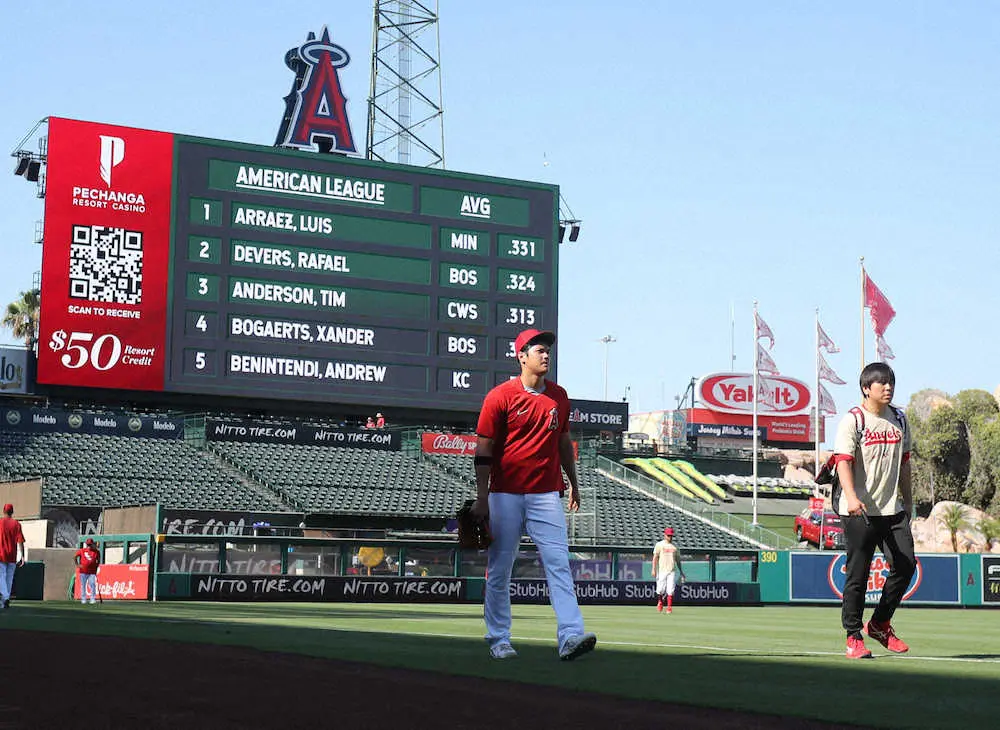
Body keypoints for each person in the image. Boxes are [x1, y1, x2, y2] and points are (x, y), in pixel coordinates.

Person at [471, 328, 597, 661]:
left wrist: (573, 481)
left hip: (545, 493)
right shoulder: (500, 396)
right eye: (539, 350)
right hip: (505, 493)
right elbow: (484, 446)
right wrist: (482, 497)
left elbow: (562, 442)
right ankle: (499, 638)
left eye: (548, 351)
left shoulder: (559, 395)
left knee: (559, 564)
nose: (546, 355)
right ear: (521, 355)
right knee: (500, 567)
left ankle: (570, 635)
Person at [834, 362, 914, 659]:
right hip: (859, 510)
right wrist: (852, 498)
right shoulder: (853, 420)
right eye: (882, 383)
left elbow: (905, 463)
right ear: (866, 388)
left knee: (906, 565)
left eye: (891, 382)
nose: (888, 387)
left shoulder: (900, 420)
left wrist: (909, 501)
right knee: (858, 574)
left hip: (892, 509)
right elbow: (843, 461)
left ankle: (880, 623)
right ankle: (853, 636)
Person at [652, 527, 686, 613]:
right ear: (665, 535)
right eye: (668, 535)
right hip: (662, 570)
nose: (670, 537)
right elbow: (655, 557)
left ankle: (669, 607)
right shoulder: (659, 545)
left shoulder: (675, 547)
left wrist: (681, 571)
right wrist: (653, 569)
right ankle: (660, 601)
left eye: (671, 536)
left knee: (670, 590)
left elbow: (678, 560)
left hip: (671, 571)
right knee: (660, 589)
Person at [0, 503, 26, 609]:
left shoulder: (0, 522)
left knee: (1, 576)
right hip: (12, 555)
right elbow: (20, 541)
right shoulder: (17, 524)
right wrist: (23, 556)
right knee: (9, 578)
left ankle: (5, 597)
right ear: (12, 512)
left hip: (1, 554)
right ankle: (4, 601)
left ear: (3, 511)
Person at [75, 538, 101, 605]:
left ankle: (92, 599)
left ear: (92, 544)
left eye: (90, 544)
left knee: (92, 584)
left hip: (92, 571)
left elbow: (98, 560)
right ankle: (83, 599)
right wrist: (77, 565)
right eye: (88, 544)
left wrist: (96, 567)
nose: (89, 546)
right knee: (83, 585)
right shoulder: (82, 550)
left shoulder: (96, 552)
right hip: (83, 571)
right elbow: (75, 556)